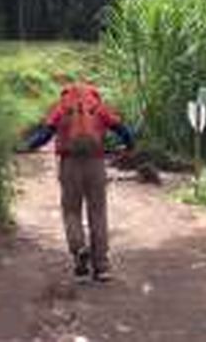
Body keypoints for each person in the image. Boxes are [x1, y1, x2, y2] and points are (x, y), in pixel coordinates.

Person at [18, 82, 134, 282]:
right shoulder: (98, 107)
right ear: (92, 93)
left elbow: (45, 134)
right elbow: (121, 129)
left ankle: (79, 252)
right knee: (98, 212)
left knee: (71, 210)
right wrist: (130, 145)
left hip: (69, 162)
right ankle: (102, 266)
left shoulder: (62, 107)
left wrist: (26, 146)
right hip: (96, 162)